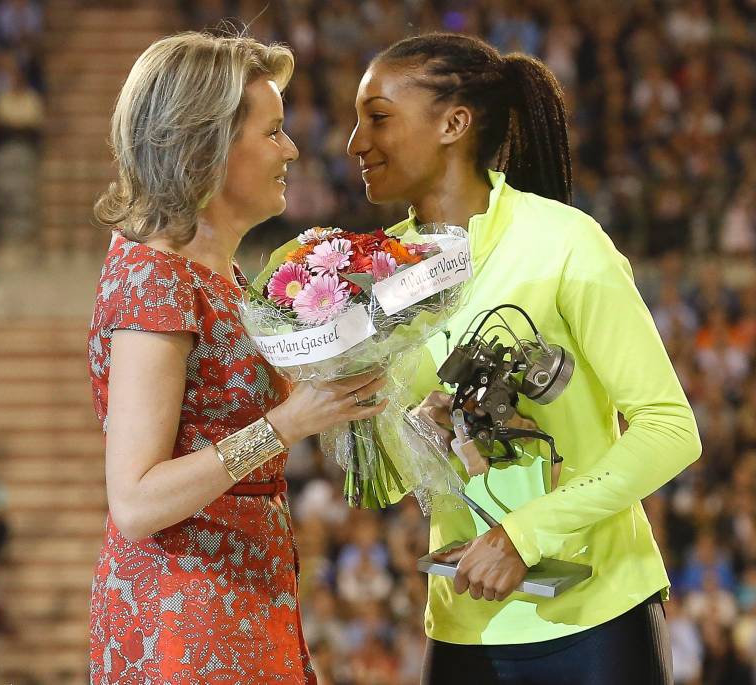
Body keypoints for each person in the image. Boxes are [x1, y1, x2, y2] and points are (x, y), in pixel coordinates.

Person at [345, 33, 701, 684]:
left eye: (378, 118)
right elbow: (379, 486)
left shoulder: (565, 243)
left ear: (454, 125)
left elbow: (670, 429)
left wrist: (523, 535)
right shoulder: (380, 275)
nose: (355, 143)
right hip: (464, 624)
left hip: (599, 619)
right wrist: (384, 419)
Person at [87, 32, 387, 683]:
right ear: (208, 147)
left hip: (241, 596)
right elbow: (135, 500)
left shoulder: (216, 270)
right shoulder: (157, 277)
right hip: (185, 618)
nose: (292, 149)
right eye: (272, 131)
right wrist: (285, 425)